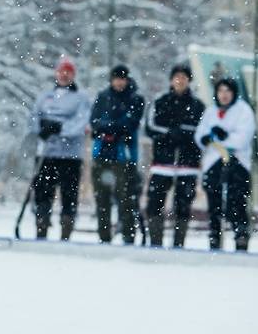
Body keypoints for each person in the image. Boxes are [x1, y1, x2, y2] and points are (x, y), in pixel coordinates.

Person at [29, 57, 91, 240]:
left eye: (68, 72)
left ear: (73, 75)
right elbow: (33, 119)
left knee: (69, 194)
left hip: (69, 156)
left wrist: (59, 128)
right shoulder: (45, 97)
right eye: (61, 71)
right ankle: (41, 228)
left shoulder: (80, 98)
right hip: (46, 154)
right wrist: (42, 128)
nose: (64, 75)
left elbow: (80, 123)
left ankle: (66, 232)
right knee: (42, 193)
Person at [144, 63, 204, 248]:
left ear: (189, 81)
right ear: (171, 79)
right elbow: (150, 127)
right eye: (177, 77)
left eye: (184, 77)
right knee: (154, 203)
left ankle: (179, 244)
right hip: (162, 163)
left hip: (188, 166)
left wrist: (185, 134)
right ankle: (156, 242)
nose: (180, 80)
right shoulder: (160, 101)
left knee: (184, 206)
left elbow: (201, 131)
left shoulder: (198, 106)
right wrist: (170, 134)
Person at [195, 78, 255, 251]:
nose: (224, 95)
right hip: (214, 162)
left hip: (237, 162)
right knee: (213, 199)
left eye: (227, 91)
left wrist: (224, 138)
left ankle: (240, 235)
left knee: (236, 200)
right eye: (221, 91)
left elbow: (243, 137)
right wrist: (209, 138)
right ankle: (214, 236)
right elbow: (201, 134)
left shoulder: (243, 111)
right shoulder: (211, 111)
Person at [90, 64, 145, 244]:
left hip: (124, 155)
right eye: (116, 78)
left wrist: (110, 128)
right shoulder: (103, 97)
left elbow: (130, 123)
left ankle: (128, 236)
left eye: (122, 79)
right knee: (102, 198)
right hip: (101, 153)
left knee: (126, 199)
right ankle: (104, 236)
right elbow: (95, 121)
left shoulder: (135, 99)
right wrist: (107, 129)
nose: (119, 82)